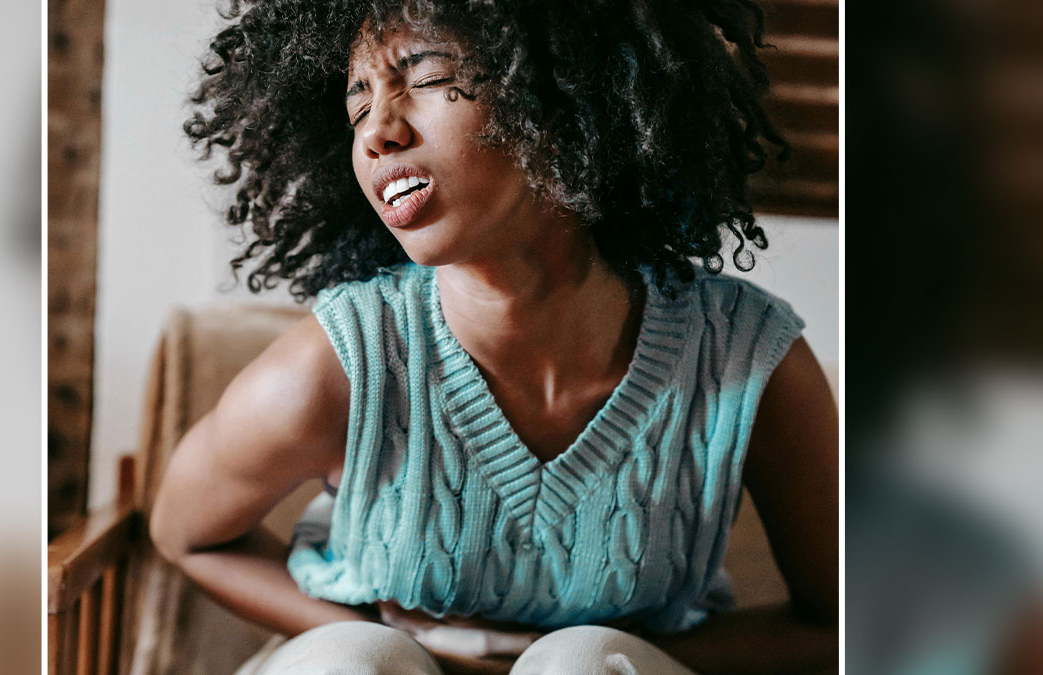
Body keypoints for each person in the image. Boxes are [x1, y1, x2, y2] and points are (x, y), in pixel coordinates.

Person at [150, 0, 838, 672]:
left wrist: (607, 659)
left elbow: (845, 623)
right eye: (358, 103)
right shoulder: (343, 361)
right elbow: (186, 533)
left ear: (564, 91)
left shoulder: (746, 357)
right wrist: (401, 649)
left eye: (423, 77)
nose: (377, 130)